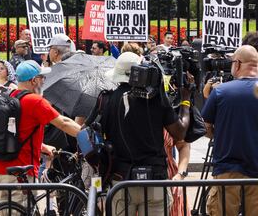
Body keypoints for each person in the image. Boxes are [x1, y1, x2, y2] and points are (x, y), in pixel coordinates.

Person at [95, 52, 192, 216]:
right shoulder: (156, 98)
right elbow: (180, 132)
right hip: (154, 180)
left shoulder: (106, 100)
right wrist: (185, 101)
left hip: (121, 181)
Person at [0, 61, 81, 200]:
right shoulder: (35, 101)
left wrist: (42, 146)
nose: (43, 81)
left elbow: (14, 134)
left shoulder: (8, 97)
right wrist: (88, 135)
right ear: (34, 80)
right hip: (20, 173)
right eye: (42, 78)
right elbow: (64, 123)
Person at [201, 44, 258, 216]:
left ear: (238, 64)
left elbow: (206, 127)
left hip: (227, 170)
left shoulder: (221, 92)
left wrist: (219, 133)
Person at [163, 129, 190, 216]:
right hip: (132, 175)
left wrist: (180, 174)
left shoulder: (169, 118)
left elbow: (184, 145)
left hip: (169, 175)